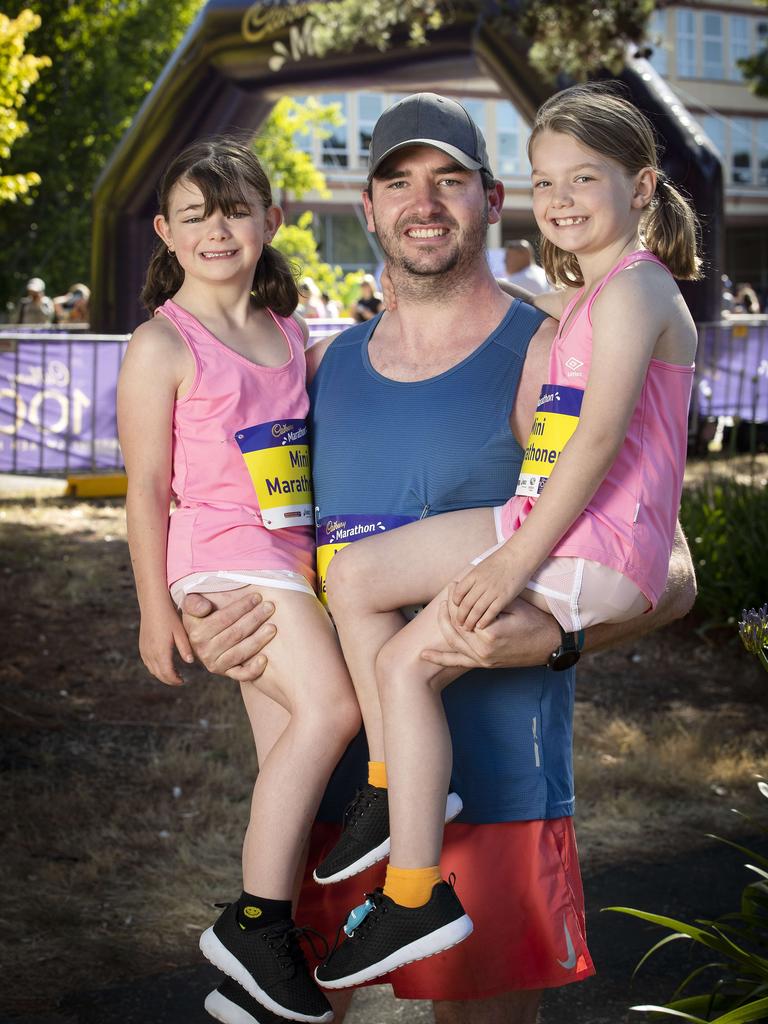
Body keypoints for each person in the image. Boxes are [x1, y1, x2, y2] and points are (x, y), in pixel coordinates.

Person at [182, 94, 697, 1024]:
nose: (424, 203)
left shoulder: (551, 344)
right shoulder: (320, 368)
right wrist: (207, 617)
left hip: (494, 786)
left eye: (449, 180)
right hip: (337, 787)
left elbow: (673, 567)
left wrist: (553, 640)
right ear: (368, 207)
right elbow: (247, 536)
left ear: (494, 200)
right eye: (398, 182)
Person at [116, 137, 361, 1024]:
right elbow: (144, 491)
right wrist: (155, 612)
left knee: (286, 766)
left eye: (234, 209)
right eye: (196, 214)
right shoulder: (161, 344)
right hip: (222, 560)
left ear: (272, 219)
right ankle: (254, 925)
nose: (217, 228)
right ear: (166, 233)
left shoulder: (290, 333)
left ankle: (254, 987)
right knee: (335, 712)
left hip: (294, 561)